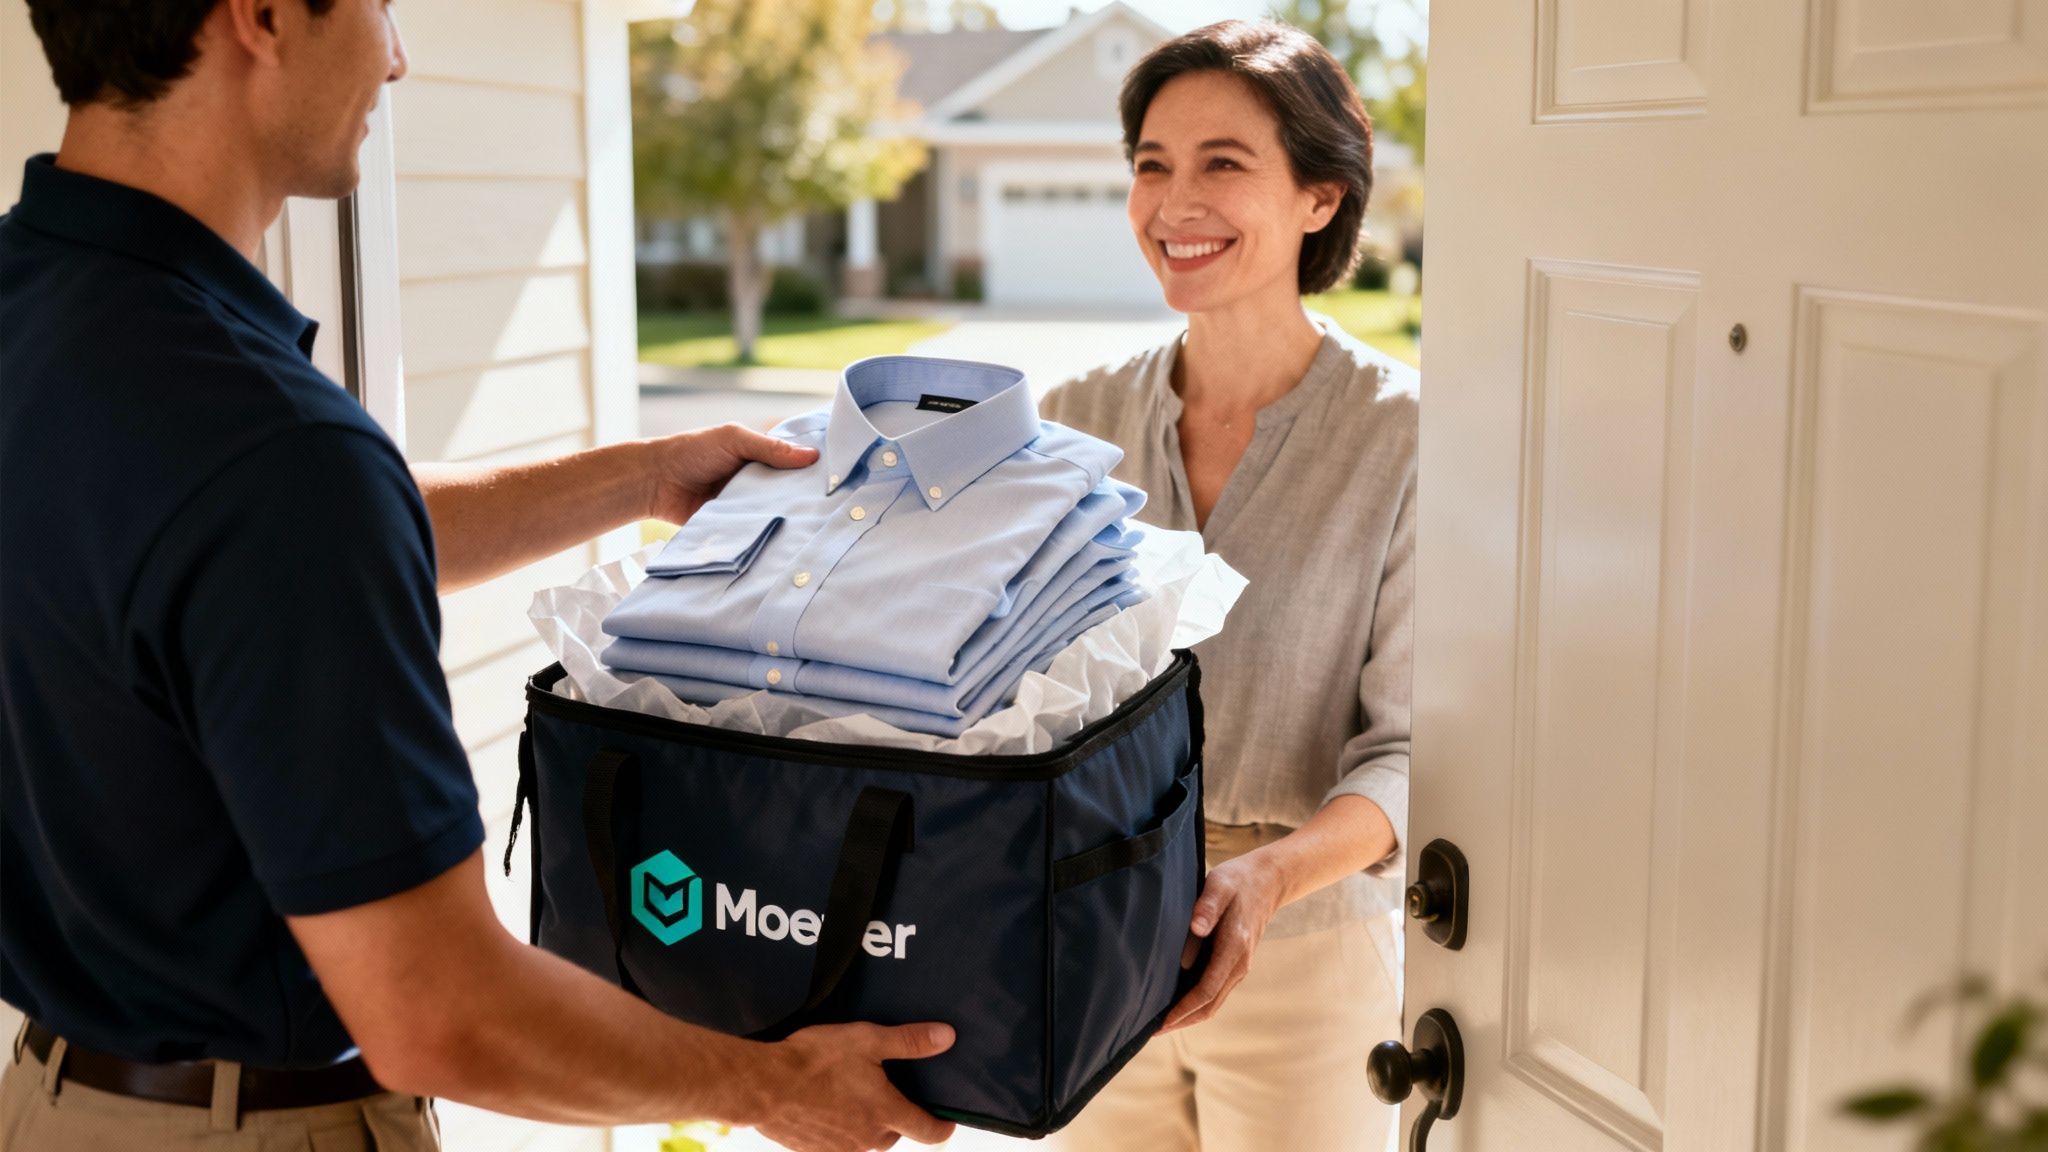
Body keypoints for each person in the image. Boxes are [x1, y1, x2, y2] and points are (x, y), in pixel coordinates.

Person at [0, 3, 957, 1151]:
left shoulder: (50, 323)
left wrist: (646, 477)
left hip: (51, 1102)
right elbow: (440, 1012)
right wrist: (772, 1083)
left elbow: (238, 559)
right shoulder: (272, 455)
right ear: (259, 17)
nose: (395, 57)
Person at [1039, 21, 1414, 1152]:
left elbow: (1408, 752)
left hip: (1306, 950)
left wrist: (1263, 882)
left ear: (1318, 197)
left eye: (1222, 163)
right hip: (1088, 931)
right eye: (1150, 164)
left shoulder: (1404, 438)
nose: (1172, 201)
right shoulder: (1070, 426)